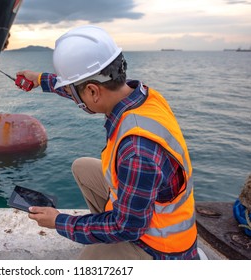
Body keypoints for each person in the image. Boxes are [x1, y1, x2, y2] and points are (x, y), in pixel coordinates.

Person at [17, 25, 199, 260]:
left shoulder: (137, 150)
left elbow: (128, 227)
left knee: (87, 263)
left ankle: (111, 244)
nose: (74, 98)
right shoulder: (142, 95)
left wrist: (60, 222)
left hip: (161, 247)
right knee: (82, 167)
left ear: (93, 91)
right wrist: (41, 80)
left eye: (74, 93)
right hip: (147, 209)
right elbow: (86, 86)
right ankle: (103, 233)